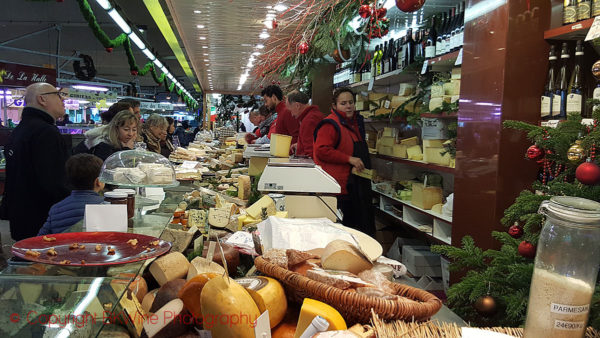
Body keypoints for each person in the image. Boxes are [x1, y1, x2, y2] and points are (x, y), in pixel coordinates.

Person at [2, 82, 70, 240]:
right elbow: (55, 181)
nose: (63, 100)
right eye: (58, 95)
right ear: (42, 99)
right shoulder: (46, 132)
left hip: (22, 217)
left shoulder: (21, 130)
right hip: (43, 222)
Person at [313, 87, 374, 236]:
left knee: (359, 229)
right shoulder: (330, 124)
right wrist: (349, 159)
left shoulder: (353, 124)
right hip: (341, 188)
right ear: (334, 106)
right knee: (345, 231)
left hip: (357, 185)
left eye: (351, 102)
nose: (348, 106)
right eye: (343, 103)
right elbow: (322, 150)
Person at [37, 154, 105, 235]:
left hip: (64, 247)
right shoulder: (107, 205)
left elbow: (41, 238)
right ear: (98, 182)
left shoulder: (56, 209)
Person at [286, 90, 324, 157]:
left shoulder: (308, 121)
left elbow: (311, 153)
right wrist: (300, 145)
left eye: (291, 110)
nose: (292, 115)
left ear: (297, 105)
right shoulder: (314, 115)